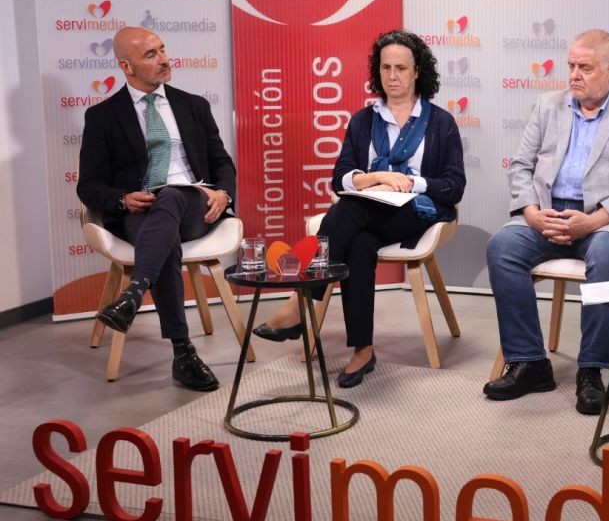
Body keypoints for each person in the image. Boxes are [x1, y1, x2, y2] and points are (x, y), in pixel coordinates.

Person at [252, 30, 465, 389]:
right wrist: (376, 178)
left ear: (417, 73)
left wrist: (412, 183)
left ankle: (298, 302)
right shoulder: (363, 120)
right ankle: (363, 351)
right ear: (377, 71)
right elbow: (340, 178)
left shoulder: (440, 122)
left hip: (418, 214)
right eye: (385, 68)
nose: (393, 76)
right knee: (359, 244)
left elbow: (454, 185)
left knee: (349, 212)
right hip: (369, 211)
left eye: (401, 68)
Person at [484, 29, 609, 415]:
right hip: (547, 215)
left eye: (585, 67)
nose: (574, 75)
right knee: (501, 248)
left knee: (603, 258)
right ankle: (530, 361)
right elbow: (520, 167)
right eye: (571, 66)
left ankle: (591, 370)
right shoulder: (547, 106)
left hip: (605, 221)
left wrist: (594, 220)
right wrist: (531, 212)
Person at [78, 27, 237, 391]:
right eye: (151, 55)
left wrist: (225, 194)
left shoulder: (193, 105)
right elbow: (89, 185)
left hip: (196, 203)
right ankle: (183, 353)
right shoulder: (102, 117)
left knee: (172, 196)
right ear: (126, 66)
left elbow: (222, 163)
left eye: (163, 49)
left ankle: (134, 296)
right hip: (141, 211)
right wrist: (122, 200)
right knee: (162, 232)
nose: (165, 59)